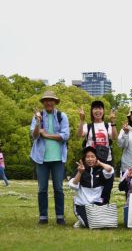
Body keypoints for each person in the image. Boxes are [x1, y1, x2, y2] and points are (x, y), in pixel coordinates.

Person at [30, 90, 70, 225]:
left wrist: (46, 135)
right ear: (43, 102)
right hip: (41, 158)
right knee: (42, 189)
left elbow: (65, 135)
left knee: (58, 188)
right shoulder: (38, 116)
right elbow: (34, 136)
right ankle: (43, 216)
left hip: (58, 158)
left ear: (55, 102)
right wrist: (37, 123)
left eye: (51, 100)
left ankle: (60, 216)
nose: (48, 102)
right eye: (46, 100)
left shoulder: (61, 115)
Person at [77, 100, 117, 203]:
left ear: (103, 111)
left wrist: (113, 123)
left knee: (107, 186)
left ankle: (103, 208)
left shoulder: (107, 125)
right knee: (90, 186)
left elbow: (115, 137)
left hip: (106, 160)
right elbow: (79, 135)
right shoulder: (88, 126)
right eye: (95, 108)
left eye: (100, 108)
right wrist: (81, 121)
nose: (98, 111)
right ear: (91, 111)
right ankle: (88, 208)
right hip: (91, 161)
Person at [68, 147, 114, 228]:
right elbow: (73, 186)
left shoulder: (100, 170)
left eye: (92, 156)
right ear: (84, 158)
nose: (90, 159)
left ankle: (83, 221)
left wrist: (100, 164)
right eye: (87, 157)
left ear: (96, 158)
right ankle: (82, 220)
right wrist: (80, 172)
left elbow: (110, 170)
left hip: (97, 204)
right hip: (82, 205)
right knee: (91, 225)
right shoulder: (80, 169)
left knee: (102, 224)